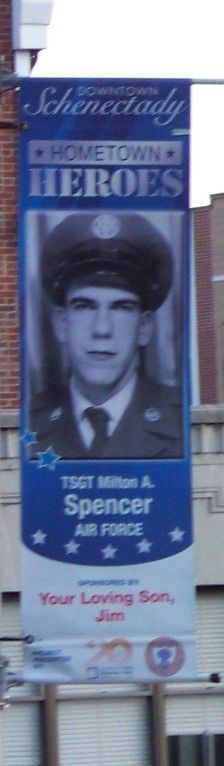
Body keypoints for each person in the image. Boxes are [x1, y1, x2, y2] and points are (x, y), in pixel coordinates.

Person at [29, 211, 182, 459]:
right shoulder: (33, 421)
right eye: (85, 306)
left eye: (121, 307)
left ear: (144, 328)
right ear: (61, 323)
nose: (102, 329)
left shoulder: (178, 420)